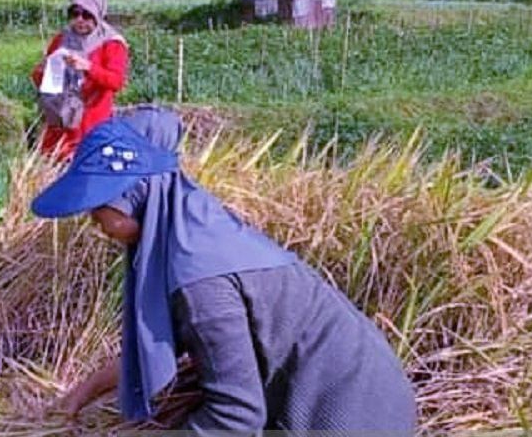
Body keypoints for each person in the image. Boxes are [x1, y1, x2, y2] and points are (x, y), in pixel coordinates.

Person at [32, 113, 416, 435]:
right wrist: (80, 395)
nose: (91, 218)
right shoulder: (187, 227)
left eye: (98, 204)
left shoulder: (201, 276)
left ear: (135, 194)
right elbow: (157, 345)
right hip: (360, 388)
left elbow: (235, 417)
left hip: (353, 412)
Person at [31, 0, 128, 159]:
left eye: (87, 15)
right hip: (60, 123)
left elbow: (116, 81)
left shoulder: (111, 44)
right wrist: (43, 71)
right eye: (74, 14)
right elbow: (41, 80)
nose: (80, 20)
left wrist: (88, 67)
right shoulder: (62, 39)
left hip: (92, 124)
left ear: (98, 15)